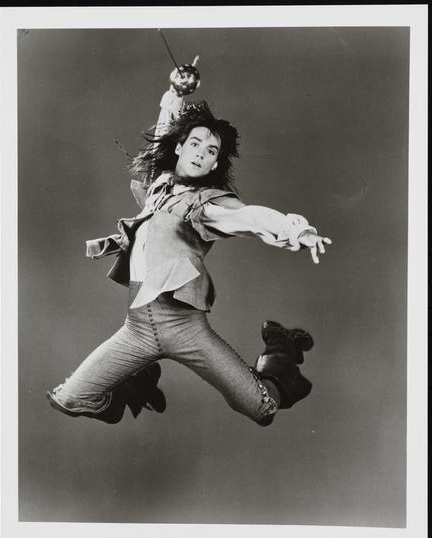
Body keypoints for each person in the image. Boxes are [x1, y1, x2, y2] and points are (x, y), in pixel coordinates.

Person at [46, 68, 331, 427]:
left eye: (211, 151)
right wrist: (176, 93)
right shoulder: (160, 186)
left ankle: (282, 350)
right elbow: (163, 133)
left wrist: (296, 231)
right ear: (180, 147)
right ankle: (136, 385)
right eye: (194, 144)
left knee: (262, 409)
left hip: (185, 328)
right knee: (70, 398)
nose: (200, 154)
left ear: (215, 163)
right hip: (137, 328)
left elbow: (249, 217)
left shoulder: (206, 204)